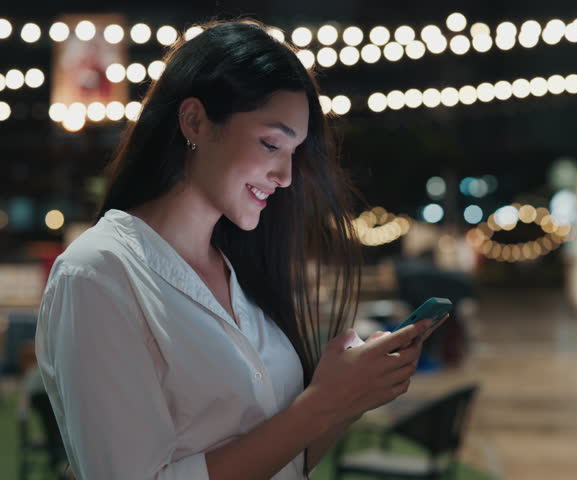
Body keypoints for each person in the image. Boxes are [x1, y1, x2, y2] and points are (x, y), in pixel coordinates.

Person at [35, 19, 445, 480]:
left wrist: (349, 396)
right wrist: (321, 404)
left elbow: (286, 462)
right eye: (271, 143)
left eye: (293, 152)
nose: (285, 176)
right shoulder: (99, 274)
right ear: (194, 121)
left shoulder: (238, 268)